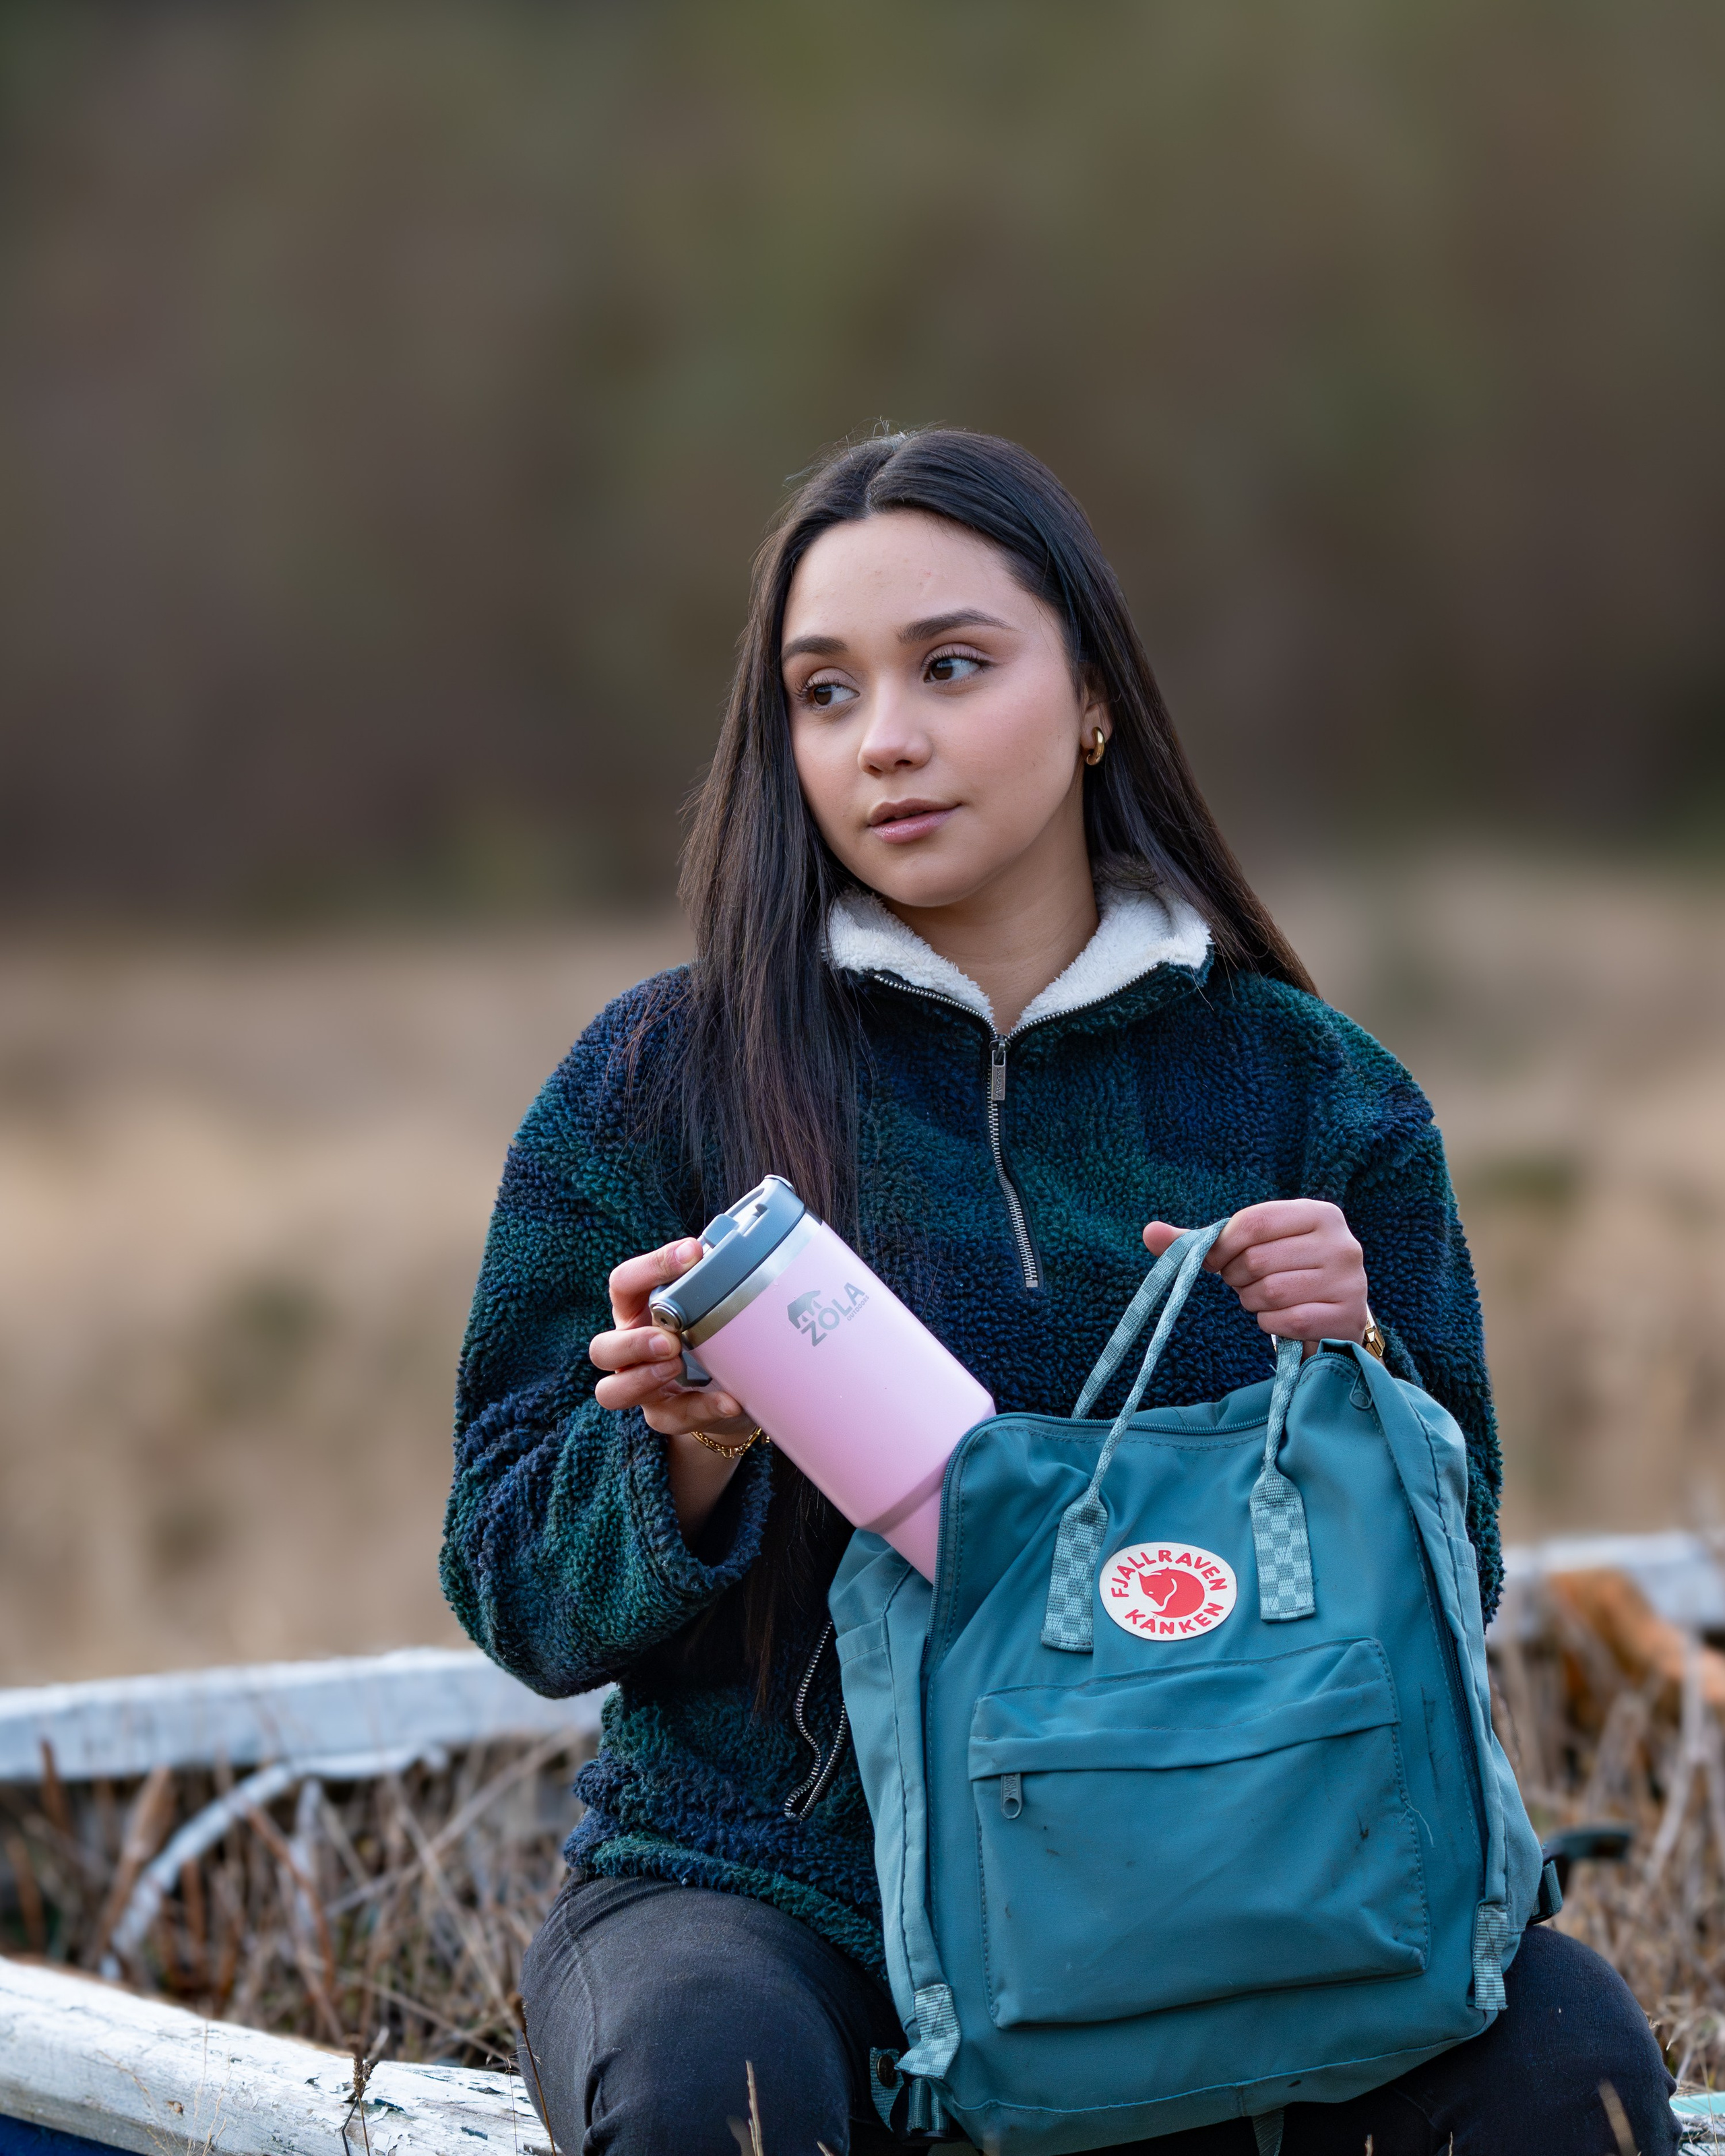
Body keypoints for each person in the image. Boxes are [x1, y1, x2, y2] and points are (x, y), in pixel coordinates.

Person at [441, 431, 1673, 2155]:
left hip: (1223, 1890)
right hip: (780, 1900)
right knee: (717, 2086)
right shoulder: (659, 1082)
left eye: (950, 667)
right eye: (821, 692)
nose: (884, 739)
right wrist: (684, 1451)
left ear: (1089, 694)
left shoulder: (1315, 1095)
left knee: (1572, 2065)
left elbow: (1446, 1573)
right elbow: (511, 1584)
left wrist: (1358, 1368)